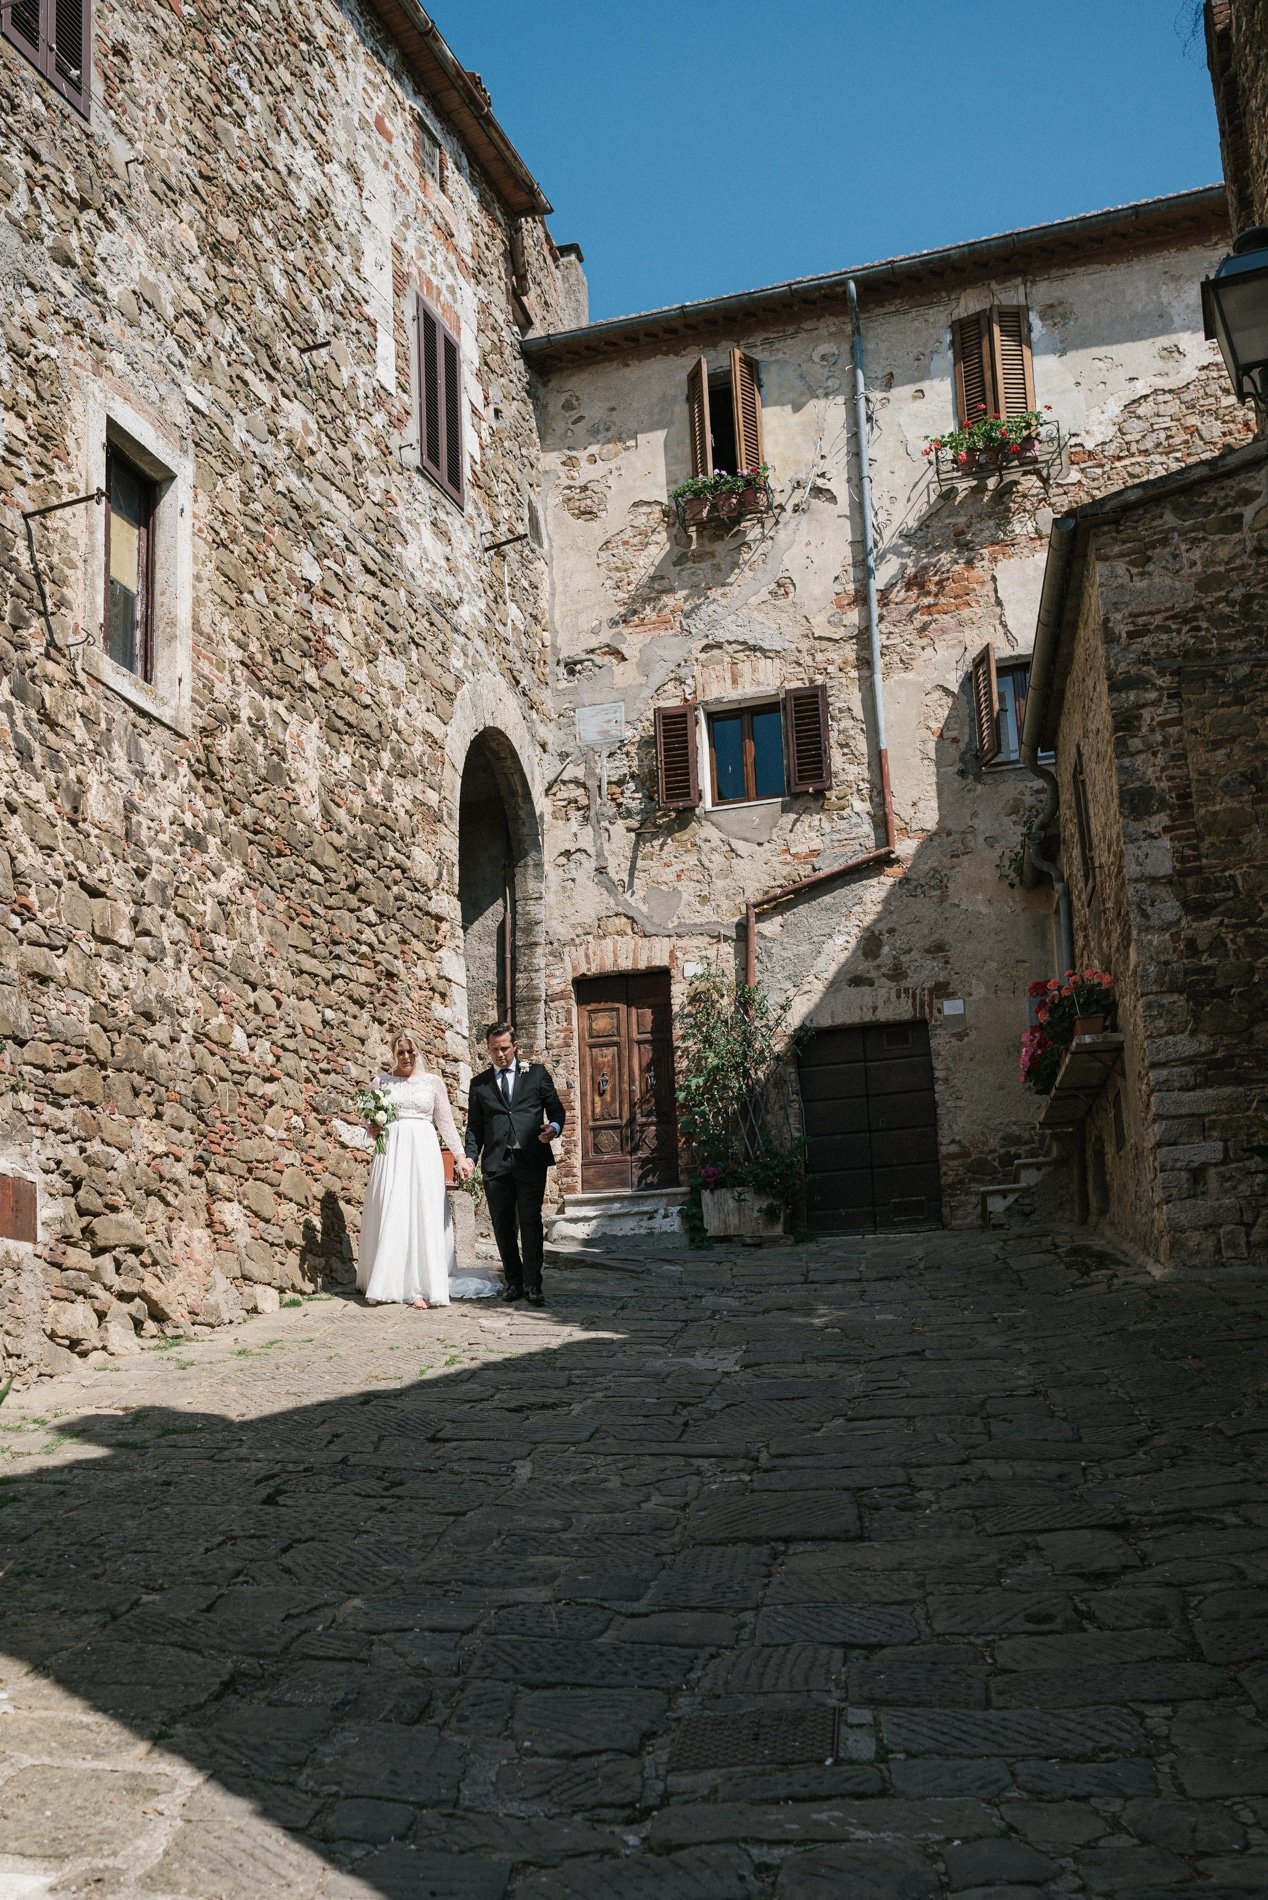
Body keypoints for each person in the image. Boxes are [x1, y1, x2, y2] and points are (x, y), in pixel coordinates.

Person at [356, 1032, 475, 1309]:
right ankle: (389, 1281)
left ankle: (421, 1285)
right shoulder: (381, 1082)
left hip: (423, 1152)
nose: (406, 1057)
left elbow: (444, 1122)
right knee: (392, 1209)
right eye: (400, 1053)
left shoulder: (432, 1082)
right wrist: (371, 1128)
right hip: (393, 1154)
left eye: (410, 1052)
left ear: (417, 1051)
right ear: (393, 1054)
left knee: (423, 1211)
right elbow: (368, 1121)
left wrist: (460, 1156)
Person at [464, 1021, 564, 1307]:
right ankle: (514, 1281)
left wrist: (554, 1128)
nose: (500, 1055)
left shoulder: (536, 1074)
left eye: (505, 1048)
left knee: (531, 1222)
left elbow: (556, 1108)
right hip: (496, 1163)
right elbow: (474, 1128)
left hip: (530, 1158)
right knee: (502, 1224)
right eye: (494, 1049)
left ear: (515, 1046)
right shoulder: (479, 1084)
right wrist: (471, 1157)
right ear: (488, 1049)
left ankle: (534, 1285)